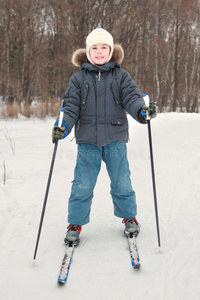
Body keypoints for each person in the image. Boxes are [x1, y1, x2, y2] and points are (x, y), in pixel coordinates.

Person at [52, 28, 157, 245]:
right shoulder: (78, 79)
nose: (99, 52)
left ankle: (129, 216)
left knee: (122, 182)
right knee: (82, 184)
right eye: (95, 48)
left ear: (111, 51)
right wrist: (62, 126)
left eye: (104, 47)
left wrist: (142, 111)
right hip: (87, 140)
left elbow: (132, 98)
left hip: (115, 137)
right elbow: (70, 108)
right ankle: (75, 222)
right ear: (88, 51)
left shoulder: (121, 77)